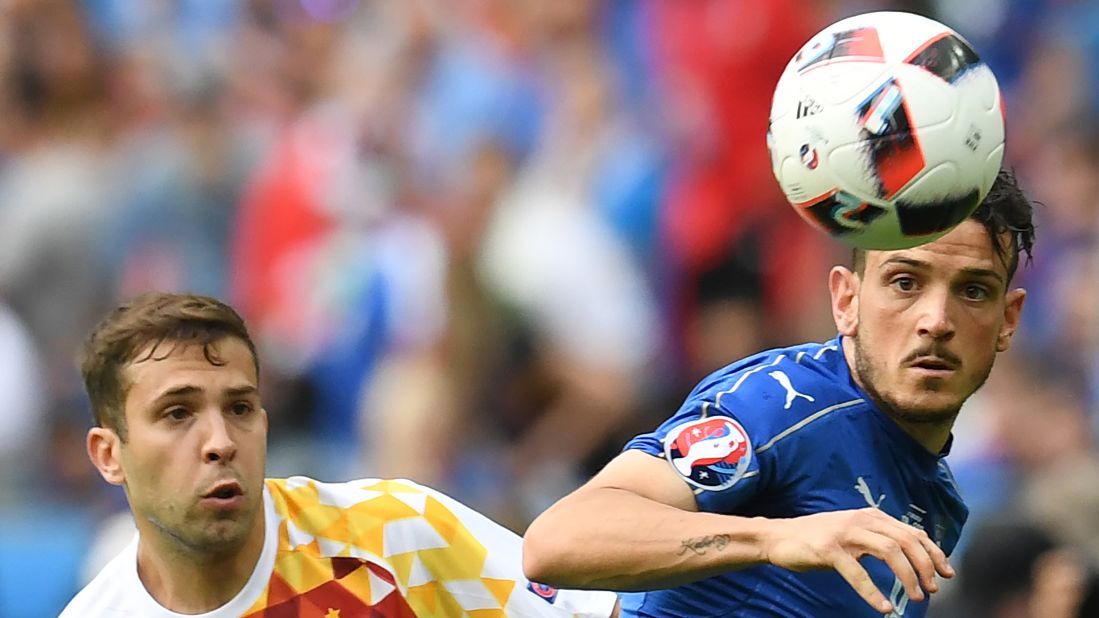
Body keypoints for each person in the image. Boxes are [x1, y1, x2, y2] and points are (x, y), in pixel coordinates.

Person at [522, 169, 1036, 618]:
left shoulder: (940, 502)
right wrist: (777, 537)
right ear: (846, 300)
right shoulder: (783, 404)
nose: (936, 321)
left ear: (1007, 320)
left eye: (973, 290)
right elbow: (559, 540)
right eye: (905, 282)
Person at [61, 292, 619, 617]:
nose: (221, 442)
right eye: (177, 413)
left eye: (239, 408)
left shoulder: (394, 535)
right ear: (109, 454)